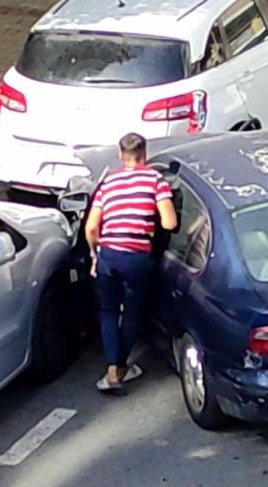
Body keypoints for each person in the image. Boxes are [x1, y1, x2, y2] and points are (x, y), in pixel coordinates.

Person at [85, 133, 177, 395]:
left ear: (120, 155)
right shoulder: (155, 180)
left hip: (109, 254)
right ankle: (121, 368)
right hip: (137, 256)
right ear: (144, 154)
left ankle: (113, 368)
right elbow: (169, 222)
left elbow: (91, 227)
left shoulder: (108, 182)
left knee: (108, 310)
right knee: (133, 311)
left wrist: (95, 255)